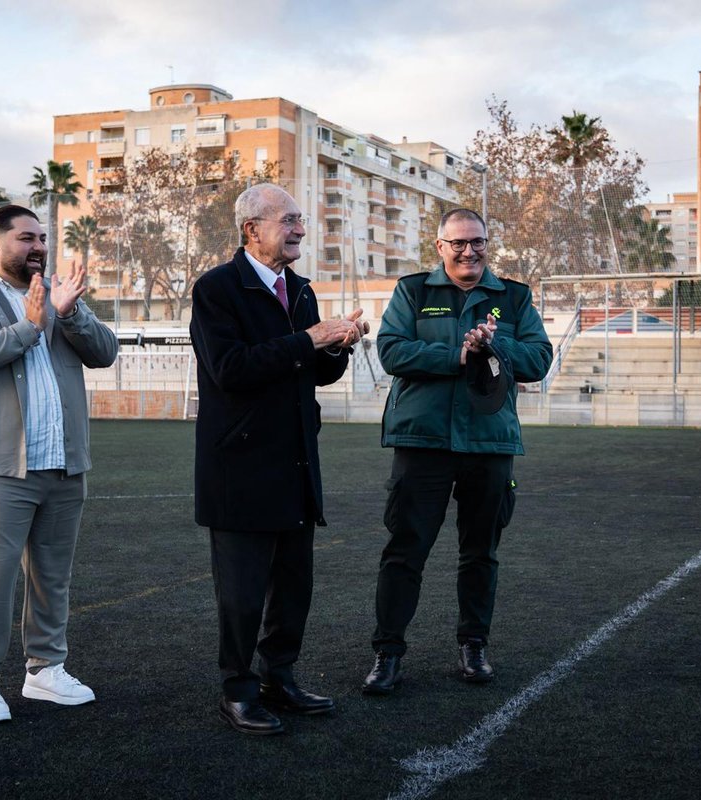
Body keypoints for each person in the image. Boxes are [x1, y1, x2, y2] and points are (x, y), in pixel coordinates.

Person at [190, 183, 369, 736]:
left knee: (293, 587)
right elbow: (231, 369)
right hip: (240, 467)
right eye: (289, 220)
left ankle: (279, 678)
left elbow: (313, 373)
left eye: (300, 220)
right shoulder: (217, 289)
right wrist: (310, 339)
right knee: (242, 596)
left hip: (296, 464)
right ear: (252, 230)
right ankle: (238, 691)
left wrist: (338, 344)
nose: (299, 230)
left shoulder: (301, 291)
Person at [0, 204, 118, 724]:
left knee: (52, 576)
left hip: (62, 463)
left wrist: (70, 313)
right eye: (26, 238)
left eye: (42, 238)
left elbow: (105, 352)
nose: (39, 247)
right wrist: (31, 325)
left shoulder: (57, 295)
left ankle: (45, 670)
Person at [361, 208, 553, 695]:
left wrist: (496, 345)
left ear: (488, 244)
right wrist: (460, 354)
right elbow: (392, 351)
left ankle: (474, 646)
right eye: (459, 243)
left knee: (480, 553)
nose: (469, 251)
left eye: (478, 242)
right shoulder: (414, 291)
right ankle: (387, 653)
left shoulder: (513, 296)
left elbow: (539, 358)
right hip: (422, 441)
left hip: (489, 441)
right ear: (440, 246)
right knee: (405, 551)